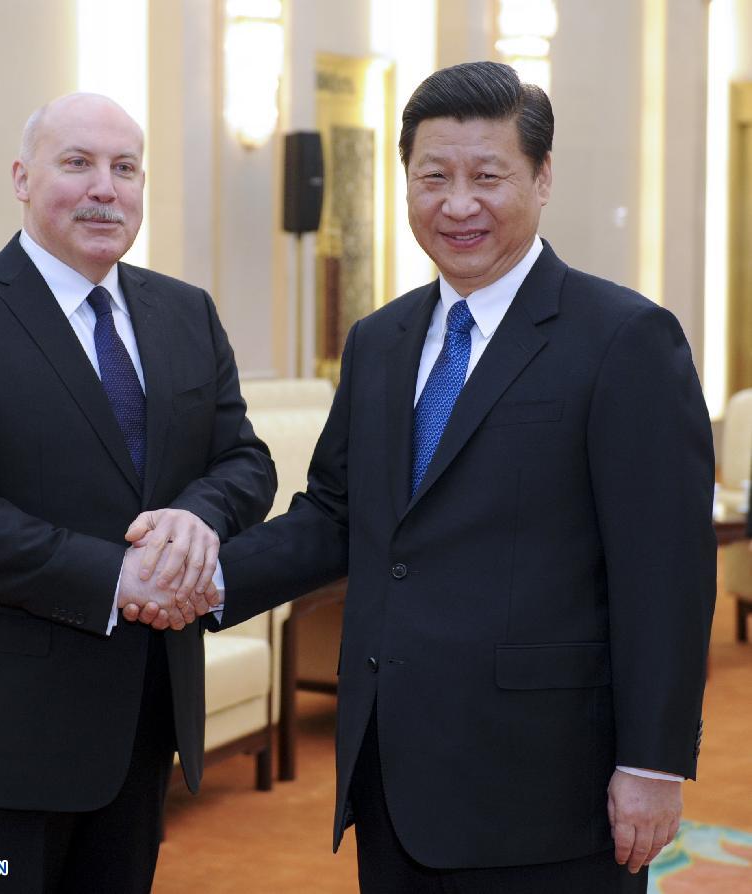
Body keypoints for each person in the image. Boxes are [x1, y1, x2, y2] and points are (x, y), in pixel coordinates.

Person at [127, 62, 716, 892]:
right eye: (432, 177)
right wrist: (203, 577)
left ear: (543, 178)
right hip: (392, 772)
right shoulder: (380, 341)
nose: (458, 203)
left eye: (488, 176)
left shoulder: (624, 338)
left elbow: (667, 572)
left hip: (549, 786)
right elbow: (337, 514)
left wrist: (653, 764)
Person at [0, 93, 276, 893]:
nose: (106, 188)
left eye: (125, 168)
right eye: (78, 163)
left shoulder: (185, 312)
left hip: (143, 714)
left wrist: (196, 521)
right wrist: (116, 577)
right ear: (22, 179)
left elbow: (245, 461)